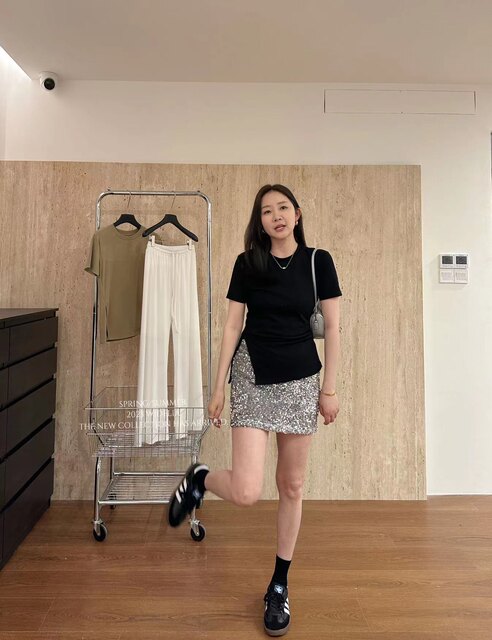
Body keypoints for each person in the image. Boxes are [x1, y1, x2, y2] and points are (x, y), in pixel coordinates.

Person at [168, 183, 342, 636]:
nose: (276, 215)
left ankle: (279, 585)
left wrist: (329, 389)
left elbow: (334, 328)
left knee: (292, 485)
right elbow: (232, 325)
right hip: (252, 375)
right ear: (260, 222)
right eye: (267, 211)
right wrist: (217, 387)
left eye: (283, 207)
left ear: (297, 214)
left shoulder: (318, 261)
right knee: (247, 491)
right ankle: (201, 479)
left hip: (301, 380)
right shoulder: (247, 264)